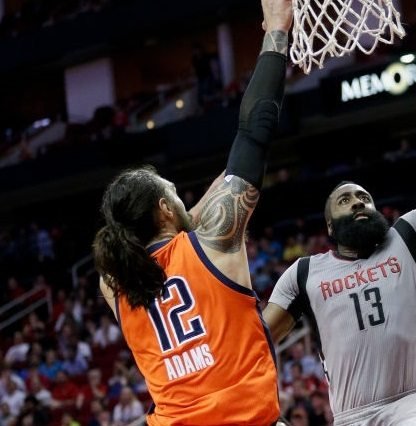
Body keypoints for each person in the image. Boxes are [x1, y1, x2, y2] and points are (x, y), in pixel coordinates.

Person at [263, 20, 416, 426]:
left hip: (412, 404)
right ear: (330, 227)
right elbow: (257, 341)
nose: (358, 203)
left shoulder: (410, 236)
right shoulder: (304, 274)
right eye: (345, 200)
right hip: (350, 417)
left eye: (364, 197)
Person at [91, 0, 292, 424]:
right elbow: (254, 132)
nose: (188, 203)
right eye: (176, 195)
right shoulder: (214, 240)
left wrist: (186, 212)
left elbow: (165, 238)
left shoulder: (114, 283)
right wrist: (277, 27)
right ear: (166, 208)